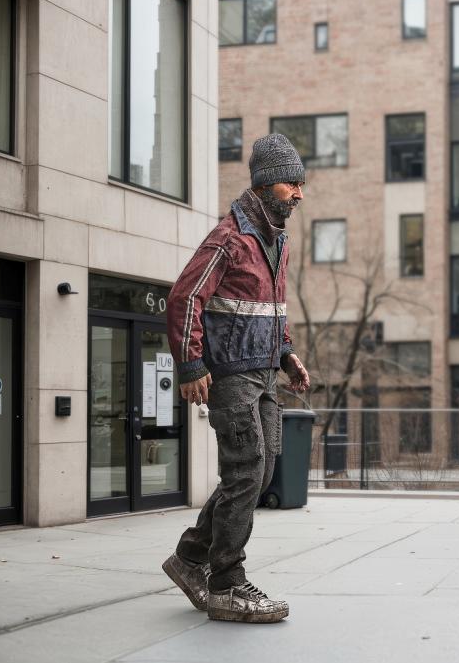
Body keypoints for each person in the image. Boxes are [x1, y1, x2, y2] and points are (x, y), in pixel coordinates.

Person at [160, 133, 311, 624]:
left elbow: (271, 310)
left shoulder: (275, 241)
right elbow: (186, 297)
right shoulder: (231, 237)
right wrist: (190, 365)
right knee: (247, 469)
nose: (300, 193)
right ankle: (226, 582)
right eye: (293, 183)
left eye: (300, 184)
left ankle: (189, 558)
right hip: (230, 373)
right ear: (268, 183)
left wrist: (287, 354)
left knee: (260, 471)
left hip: (264, 372)